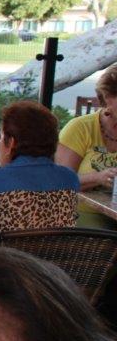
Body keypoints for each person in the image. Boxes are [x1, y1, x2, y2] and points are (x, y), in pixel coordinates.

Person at [0, 101, 78, 234]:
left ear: (12, 142)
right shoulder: (70, 179)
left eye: (1, 138)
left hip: (3, 255)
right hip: (56, 255)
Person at [56, 63, 117, 228]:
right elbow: (59, 182)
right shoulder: (81, 128)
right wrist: (98, 177)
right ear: (106, 99)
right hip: (82, 215)